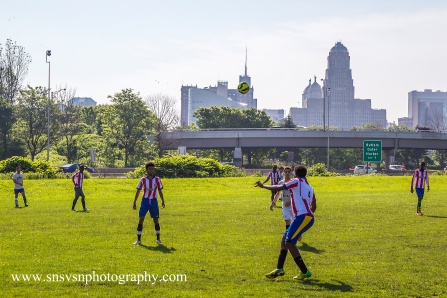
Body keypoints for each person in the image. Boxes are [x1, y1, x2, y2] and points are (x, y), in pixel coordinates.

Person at [256, 165, 316, 280]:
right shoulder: (309, 187)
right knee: (284, 239)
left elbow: (279, 187)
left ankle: (304, 271)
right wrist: (307, 216)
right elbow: (314, 206)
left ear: (295, 173)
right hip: (305, 217)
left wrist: (263, 186)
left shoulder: (296, 181)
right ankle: (280, 268)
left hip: (302, 217)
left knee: (289, 242)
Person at [133, 161, 165, 245]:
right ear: (146, 170)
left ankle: (158, 239)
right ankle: (138, 240)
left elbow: (160, 190)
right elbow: (138, 191)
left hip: (154, 201)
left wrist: (162, 201)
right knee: (141, 219)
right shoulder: (143, 180)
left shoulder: (157, 179)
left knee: (155, 220)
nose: (152, 171)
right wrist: (134, 202)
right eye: (150, 169)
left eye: (153, 169)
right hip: (145, 201)